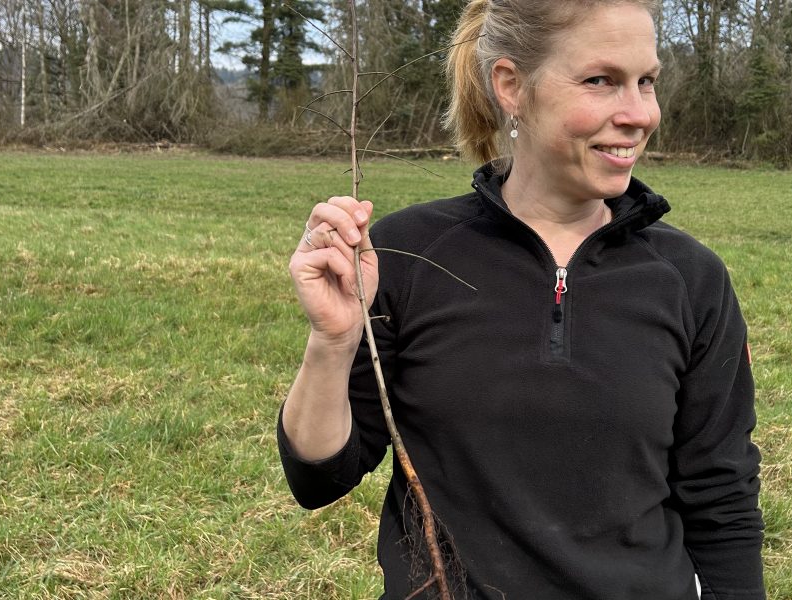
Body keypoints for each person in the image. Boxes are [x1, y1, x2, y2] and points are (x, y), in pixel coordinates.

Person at [279, 0, 765, 598]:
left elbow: (723, 500)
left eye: (647, 82)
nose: (639, 113)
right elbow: (318, 479)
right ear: (511, 86)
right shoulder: (408, 256)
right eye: (600, 81)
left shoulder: (690, 279)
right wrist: (332, 342)